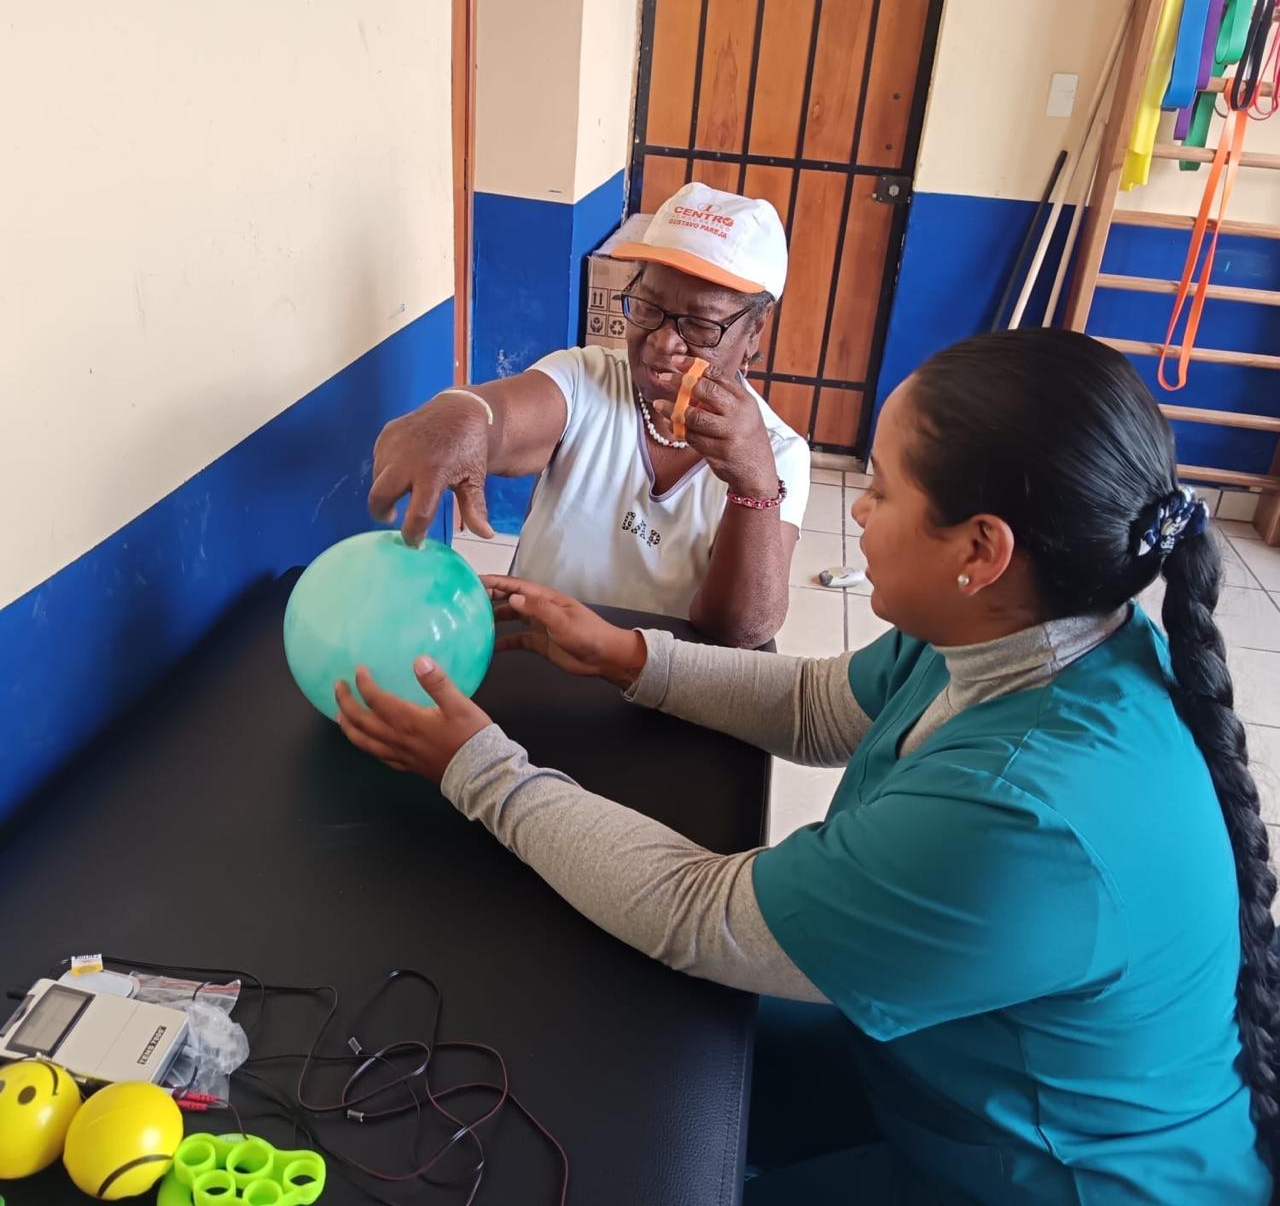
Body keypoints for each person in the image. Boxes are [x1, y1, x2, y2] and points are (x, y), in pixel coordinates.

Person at [334, 329, 1277, 1203]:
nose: (856, 510)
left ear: (982, 550)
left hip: (1046, 1175)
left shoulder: (1027, 818)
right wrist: (626, 655)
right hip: (949, 1061)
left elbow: (700, 913)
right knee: (632, 1042)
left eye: (882, 489)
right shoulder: (1032, 632)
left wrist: (480, 769)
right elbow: (820, 707)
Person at [366, 182, 810, 648]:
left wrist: (754, 487)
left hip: (656, 687)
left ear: (755, 330)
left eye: (699, 325)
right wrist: (458, 415)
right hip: (530, 657)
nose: (663, 342)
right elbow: (499, 416)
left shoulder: (777, 453)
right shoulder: (586, 378)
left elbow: (742, 630)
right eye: (648, 307)